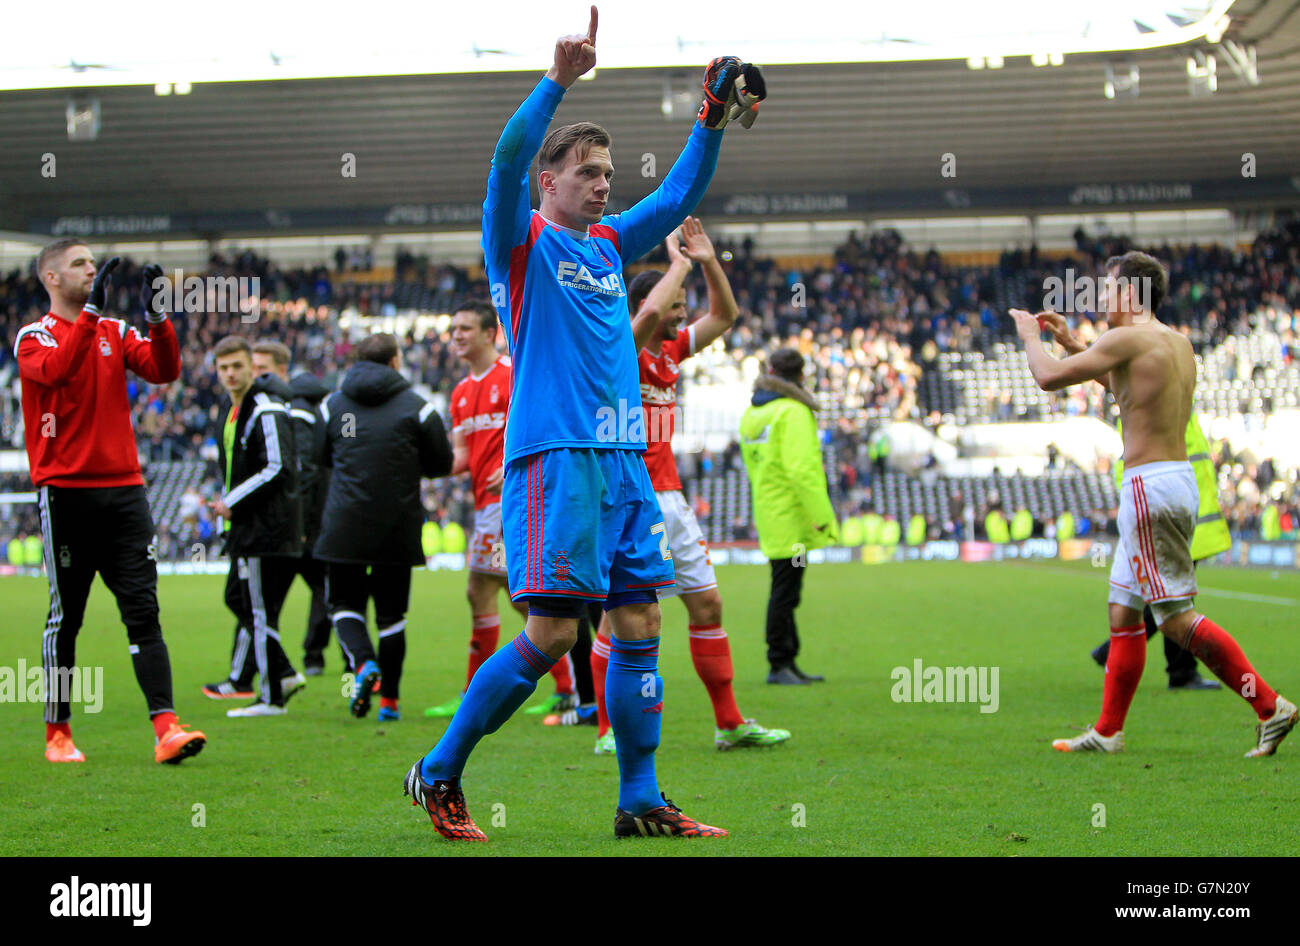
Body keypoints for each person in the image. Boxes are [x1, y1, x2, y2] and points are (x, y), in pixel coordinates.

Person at [403, 7, 762, 840]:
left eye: (605, 172)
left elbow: (676, 196)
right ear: (548, 180)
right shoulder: (518, 241)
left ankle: (639, 798)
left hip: (625, 462)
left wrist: (710, 115)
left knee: (640, 619)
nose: (604, 183)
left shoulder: (607, 247)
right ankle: (439, 769)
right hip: (556, 457)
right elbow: (501, 159)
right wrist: (558, 79)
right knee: (554, 628)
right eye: (588, 171)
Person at [1011, 251, 1295, 756]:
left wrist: (1033, 340)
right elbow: (1132, 393)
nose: (1102, 297)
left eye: (1109, 287)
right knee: (1123, 611)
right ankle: (1108, 731)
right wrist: (1074, 343)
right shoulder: (1176, 343)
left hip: (1147, 487)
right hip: (1174, 481)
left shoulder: (1125, 339)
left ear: (1131, 294)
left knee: (1176, 619)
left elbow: (1048, 378)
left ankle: (1270, 706)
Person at [589, 217, 789, 754]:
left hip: (670, 498)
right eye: (678, 307)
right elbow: (652, 310)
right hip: (626, 498)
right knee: (619, 620)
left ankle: (729, 723)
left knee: (707, 606)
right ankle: (608, 731)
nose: (682, 317)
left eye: (683, 309)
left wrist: (706, 262)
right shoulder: (618, 349)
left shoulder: (670, 351)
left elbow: (725, 315)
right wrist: (676, 262)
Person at [18, 240, 205, 763]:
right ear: (51, 277)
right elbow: (58, 372)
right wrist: (94, 312)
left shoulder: (115, 332)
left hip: (124, 491)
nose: (90, 270)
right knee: (67, 618)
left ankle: (166, 728)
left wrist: (158, 316)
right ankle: (58, 732)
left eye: (92, 263)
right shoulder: (32, 337)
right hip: (66, 495)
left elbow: (163, 369)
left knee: (143, 611)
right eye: (78, 264)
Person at [422, 300, 577, 720]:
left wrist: (510, 466)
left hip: (518, 499)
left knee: (482, 590)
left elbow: (546, 419)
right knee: (519, 599)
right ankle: (567, 686)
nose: (456, 335)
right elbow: (459, 458)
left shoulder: (513, 375)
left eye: (466, 328)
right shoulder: (459, 393)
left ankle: (473, 694)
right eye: (453, 328)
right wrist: (412, 466)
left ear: (491, 333)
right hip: (487, 505)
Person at [315, 333, 453, 721]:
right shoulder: (418, 408)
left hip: (345, 525)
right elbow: (442, 464)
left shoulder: (334, 406)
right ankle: (389, 703)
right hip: (398, 525)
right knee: (392, 617)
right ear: (395, 362)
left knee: (344, 605)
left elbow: (319, 457)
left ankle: (362, 663)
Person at [1087, 413, 1230, 690]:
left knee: (1171, 598)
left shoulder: (1170, 402)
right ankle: (1175, 670)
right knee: (1173, 600)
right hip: (1177, 515)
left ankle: (1169, 667)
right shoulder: (1162, 401)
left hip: (1182, 514)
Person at [205, 336, 306, 717]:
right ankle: (283, 673)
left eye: (237, 366)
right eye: (223, 368)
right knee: (239, 600)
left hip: (268, 527)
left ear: (252, 367)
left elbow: (278, 466)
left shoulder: (265, 408)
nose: (230, 374)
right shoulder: (231, 411)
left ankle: (271, 697)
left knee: (259, 610)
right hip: (247, 527)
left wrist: (230, 502)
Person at [739, 347, 838, 685]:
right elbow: (802, 470)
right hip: (793, 518)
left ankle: (788, 661)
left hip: (770, 512)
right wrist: (823, 516)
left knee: (785, 587)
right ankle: (779, 662)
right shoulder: (793, 412)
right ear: (801, 376)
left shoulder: (753, 414)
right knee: (786, 591)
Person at [249, 340, 336, 677]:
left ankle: (265, 668)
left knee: (262, 600)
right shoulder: (309, 406)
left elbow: (302, 470)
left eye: (262, 369)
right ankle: (326, 658)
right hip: (312, 521)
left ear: (282, 369)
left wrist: (294, 518)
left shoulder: (289, 408)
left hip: (298, 523)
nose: (256, 376)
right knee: (325, 591)